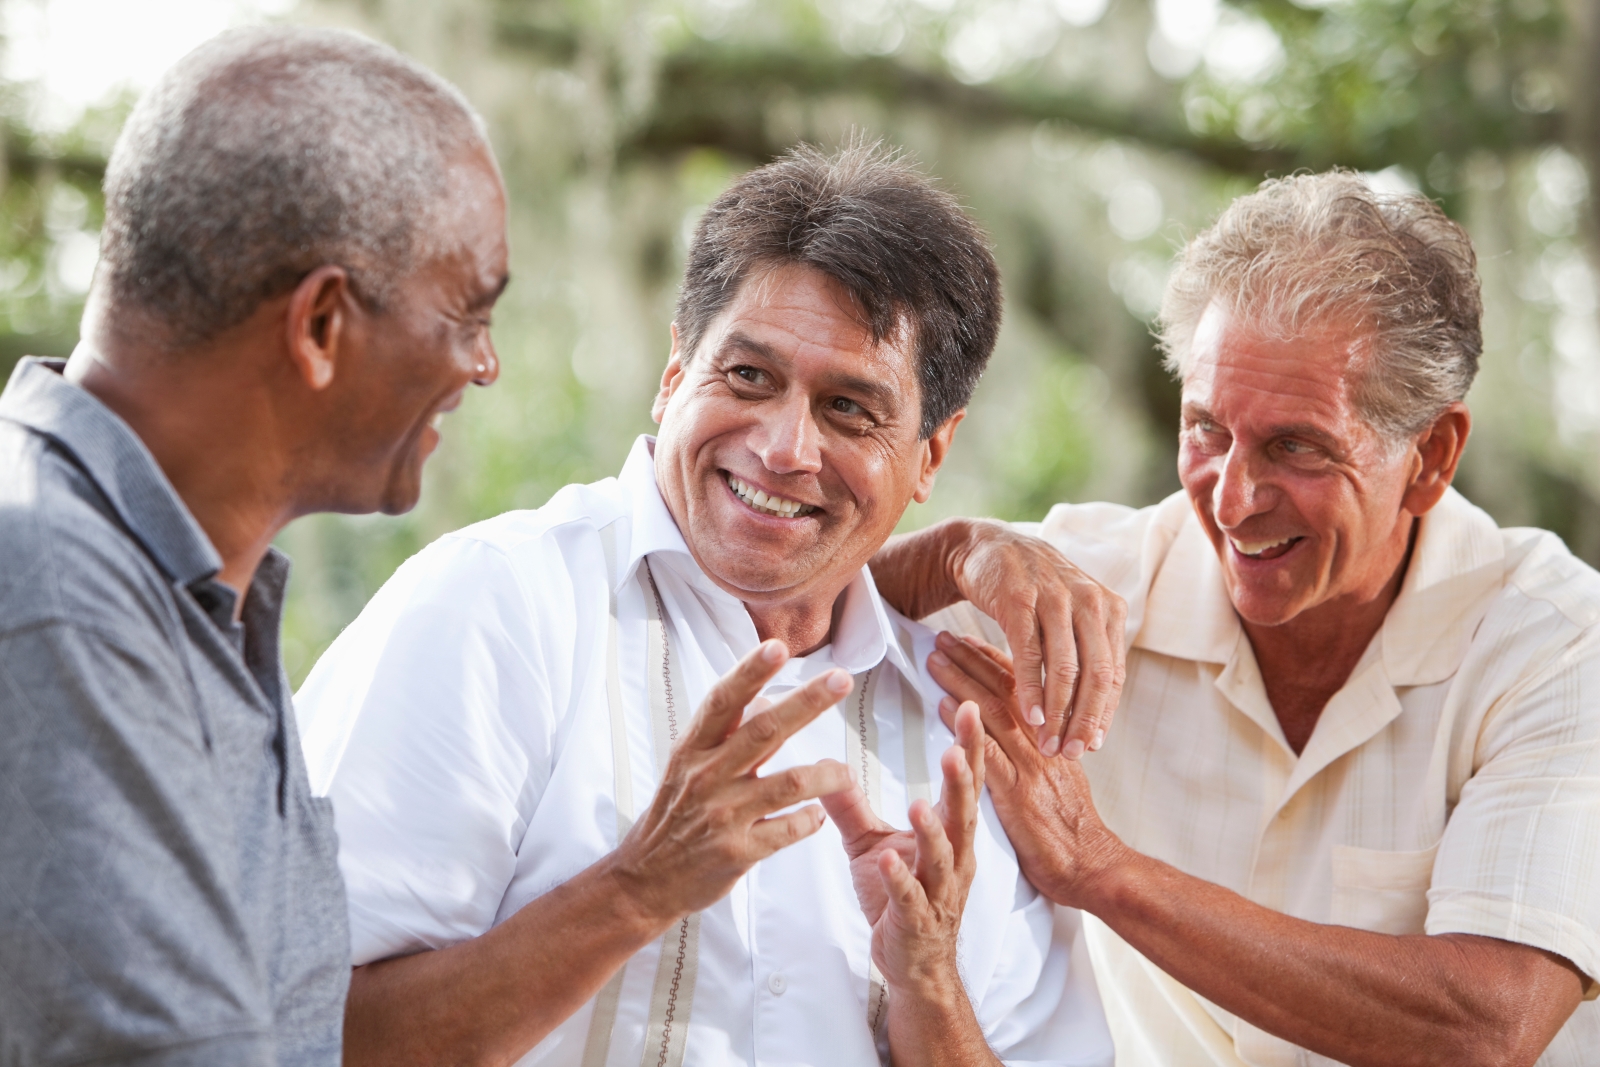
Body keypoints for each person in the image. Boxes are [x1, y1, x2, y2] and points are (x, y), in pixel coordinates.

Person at [294, 142, 1114, 1067]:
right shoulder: (496, 606)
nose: (782, 447)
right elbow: (297, 1033)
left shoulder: (966, 725)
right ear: (675, 370)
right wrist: (634, 890)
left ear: (931, 454)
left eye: (850, 408)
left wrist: (929, 985)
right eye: (750, 376)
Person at [906, 170, 1600, 1066]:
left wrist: (1102, 871)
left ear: (1431, 455)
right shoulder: (1085, 585)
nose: (1232, 499)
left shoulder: (1559, 641)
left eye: (1294, 446)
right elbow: (794, 610)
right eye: (1206, 431)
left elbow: (1485, 1025)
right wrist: (958, 549)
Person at [0, 27, 508, 1066]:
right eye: (468, 312)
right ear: (321, 323)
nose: (485, 364)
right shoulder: (54, 595)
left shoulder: (187, 594)